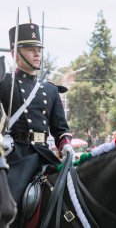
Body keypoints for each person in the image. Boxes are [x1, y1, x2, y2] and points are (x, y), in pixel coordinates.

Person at [1, 23, 75, 227]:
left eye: (39, 50)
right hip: (16, 155)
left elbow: (61, 128)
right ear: (16, 52)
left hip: (44, 154)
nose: (37, 54)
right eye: (31, 49)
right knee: (10, 201)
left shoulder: (50, 90)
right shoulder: (4, 83)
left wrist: (65, 145)